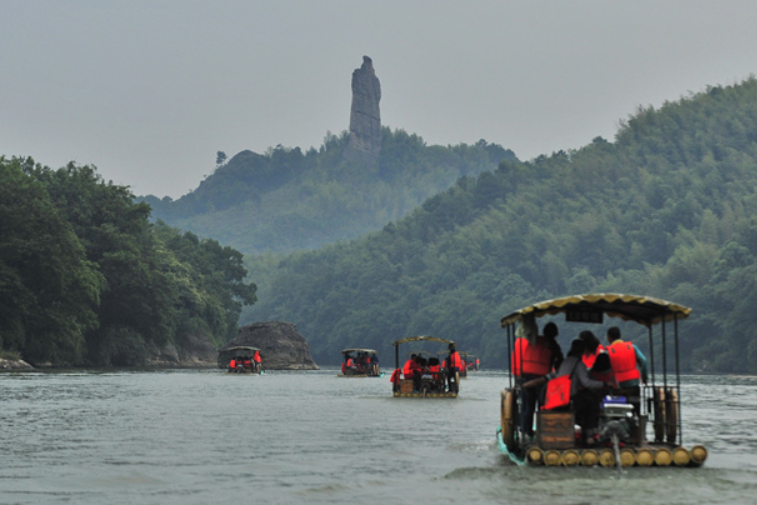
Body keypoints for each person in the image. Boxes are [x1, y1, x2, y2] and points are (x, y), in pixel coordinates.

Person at [543, 338, 611, 444]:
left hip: (560, 397)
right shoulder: (579, 364)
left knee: (585, 398)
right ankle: (589, 434)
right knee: (592, 402)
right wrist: (604, 384)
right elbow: (586, 383)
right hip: (570, 398)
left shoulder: (566, 361)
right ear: (583, 351)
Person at [512, 322, 562, 437]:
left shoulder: (533, 340)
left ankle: (526, 432)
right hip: (542, 379)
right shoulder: (553, 345)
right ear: (555, 334)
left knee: (527, 407)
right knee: (542, 407)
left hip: (526, 376)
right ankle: (542, 432)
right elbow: (560, 361)